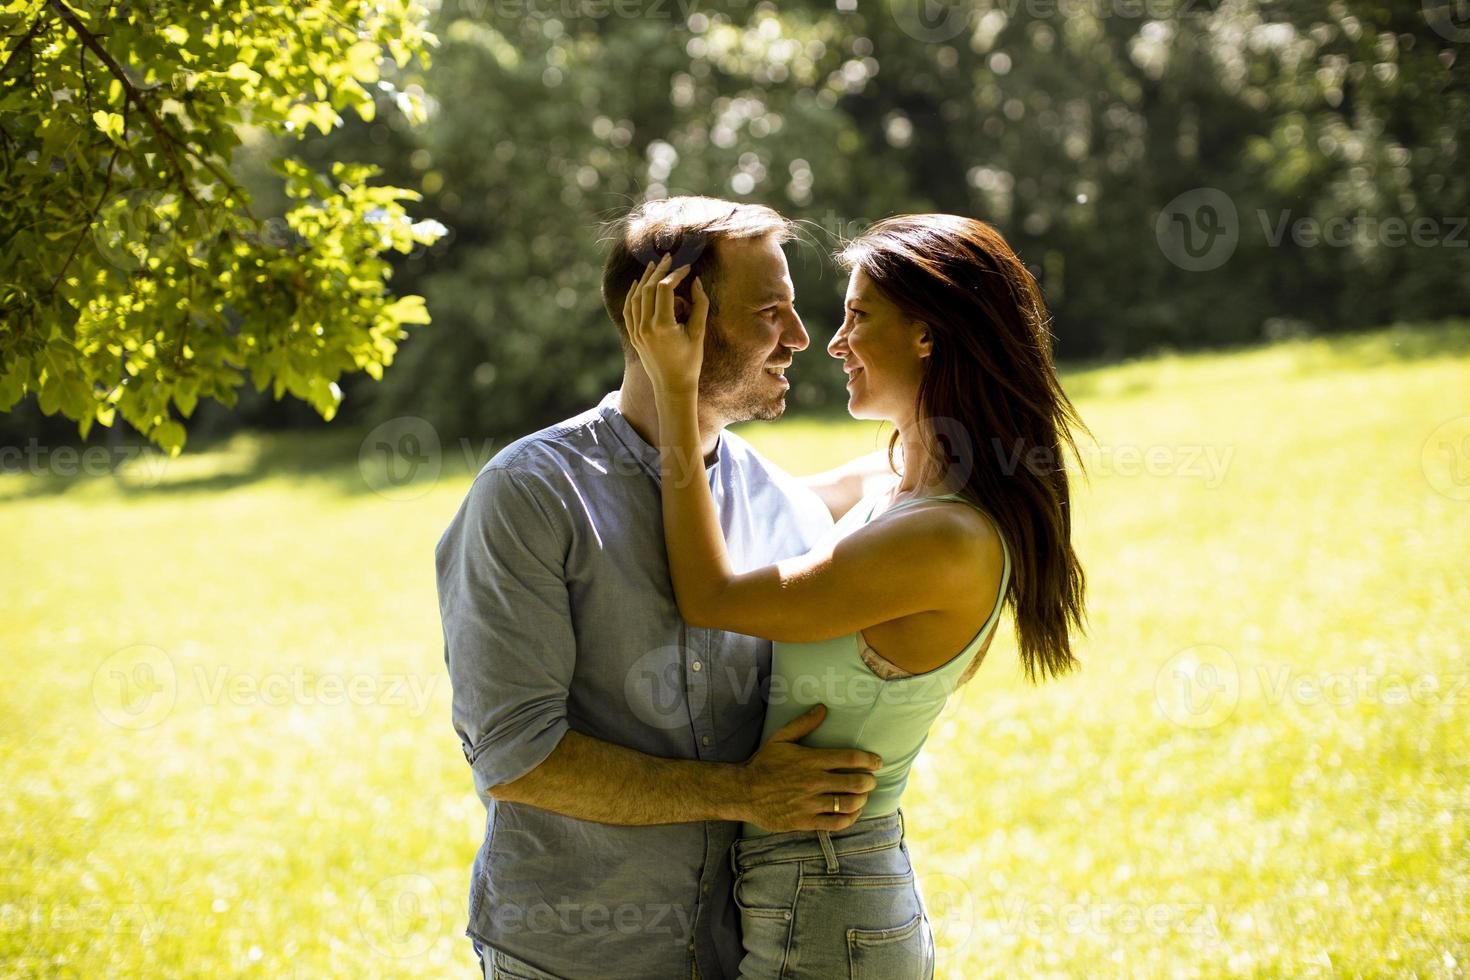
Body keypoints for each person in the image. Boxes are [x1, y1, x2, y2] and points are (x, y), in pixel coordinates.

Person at [623, 213, 1089, 978]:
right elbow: (739, 504)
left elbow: (711, 593)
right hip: (813, 884)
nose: (833, 342)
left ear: (928, 336)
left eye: (856, 316)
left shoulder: (943, 539)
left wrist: (676, 387)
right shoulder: (896, 481)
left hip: (828, 895)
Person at [436, 196, 888, 980]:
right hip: (572, 957)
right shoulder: (531, 495)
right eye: (771, 311)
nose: (801, 338)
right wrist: (743, 793)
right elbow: (518, 756)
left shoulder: (783, 504)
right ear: (672, 317)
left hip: (742, 955)